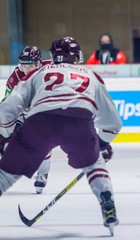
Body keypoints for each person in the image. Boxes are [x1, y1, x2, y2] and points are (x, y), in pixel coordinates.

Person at [0, 36, 122, 234]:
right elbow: (113, 123)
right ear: (76, 56)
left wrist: (5, 136)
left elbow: (7, 107)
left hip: (41, 122)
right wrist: (100, 142)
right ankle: (106, 200)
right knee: (94, 164)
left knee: (6, 173)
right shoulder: (91, 75)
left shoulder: (39, 73)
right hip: (78, 123)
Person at [1, 46, 52, 194]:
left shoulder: (49, 68)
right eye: (24, 65)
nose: (27, 69)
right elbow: (8, 101)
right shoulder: (15, 78)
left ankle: (42, 173)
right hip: (23, 112)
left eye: (31, 65)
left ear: (38, 63)